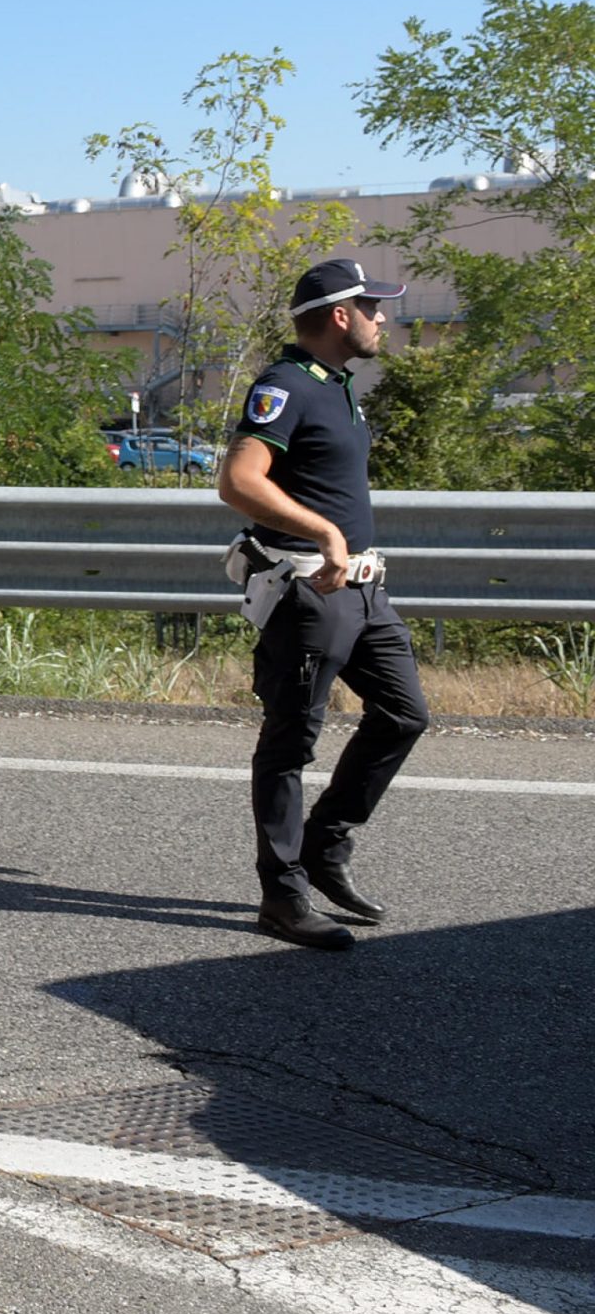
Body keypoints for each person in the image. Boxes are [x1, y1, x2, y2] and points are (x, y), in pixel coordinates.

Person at [217, 258, 431, 952]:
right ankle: (281, 896)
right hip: (312, 590)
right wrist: (324, 531)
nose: (383, 319)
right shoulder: (285, 387)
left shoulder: (335, 386)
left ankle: (322, 850)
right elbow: (237, 481)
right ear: (341, 316)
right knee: (289, 743)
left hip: (364, 591)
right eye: (374, 308)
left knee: (404, 715)